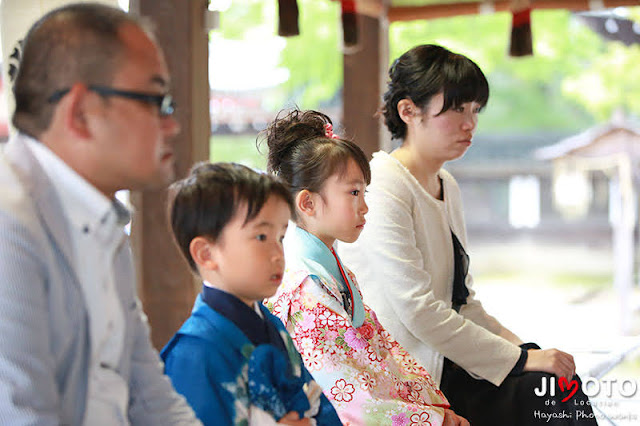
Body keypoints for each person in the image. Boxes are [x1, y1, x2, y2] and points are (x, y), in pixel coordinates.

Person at [338, 44, 597, 425]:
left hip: (451, 362)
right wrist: (523, 359)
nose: (470, 123)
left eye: (475, 110)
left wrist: (524, 350)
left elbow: (463, 301)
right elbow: (419, 310)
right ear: (408, 111)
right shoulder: (384, 183)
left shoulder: (447, 184)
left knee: (554, 381)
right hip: (411, 375)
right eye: (457, 108)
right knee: (551, 396)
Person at [0, 3, 201, 425]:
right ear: (81, 113)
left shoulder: (102, 220)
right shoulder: (10, 222)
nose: (173, 124)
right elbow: (25, 414)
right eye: (156, 99)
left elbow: (149, 395)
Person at [262, 109, 469, 426]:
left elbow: (385, 354)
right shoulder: (303, 289)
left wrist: (432, 410)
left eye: (364, 192)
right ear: (308, 203)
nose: (365, 206)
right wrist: (430, 419)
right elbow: (346, 399)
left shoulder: (331, 272)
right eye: (353, 192)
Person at [161, 162, 341, 425]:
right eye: (261, 237)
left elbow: (317, 405)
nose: (277, 253)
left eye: (280, 237)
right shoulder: (193, 353)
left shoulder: (272, 324)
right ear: (206, 254)